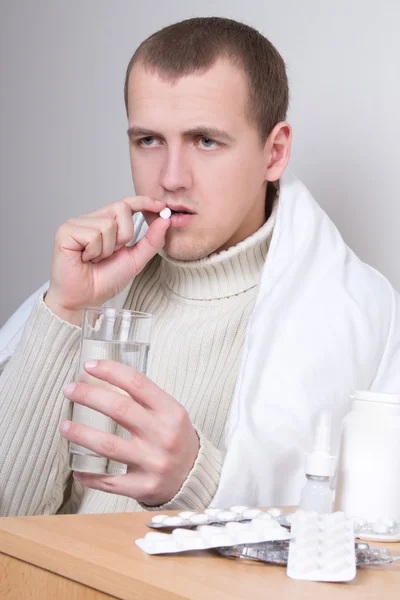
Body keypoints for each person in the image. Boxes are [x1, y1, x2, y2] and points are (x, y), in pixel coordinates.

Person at [1, 17, 399, 518]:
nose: (170, 178)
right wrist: (64, 309)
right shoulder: (95, 285)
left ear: (274, 152)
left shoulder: (363, 314)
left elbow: (368, 548)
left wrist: (199, 480)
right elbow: (11, 519)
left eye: (205, 141)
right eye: (148, 140)